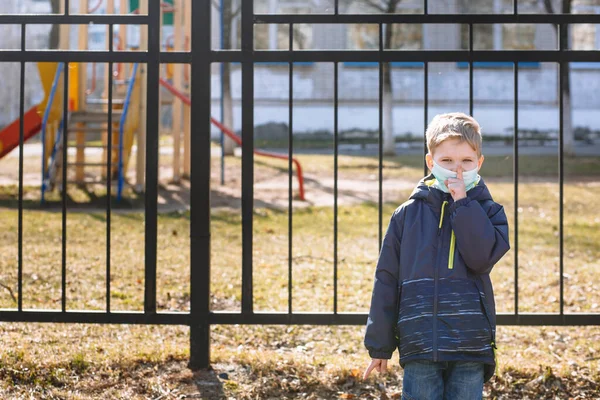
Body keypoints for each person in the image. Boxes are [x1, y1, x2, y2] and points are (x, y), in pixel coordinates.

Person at [362, 112, 510, 400]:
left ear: (479, 164)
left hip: (469, 342)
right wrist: (380, 346)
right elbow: (387, 278)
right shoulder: (407, 214)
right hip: (420, 341)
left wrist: (463, 204)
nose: (457, 171)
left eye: (466, 162)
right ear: (431, 162)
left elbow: (481, 258)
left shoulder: (490, 212)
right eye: (447, 161)